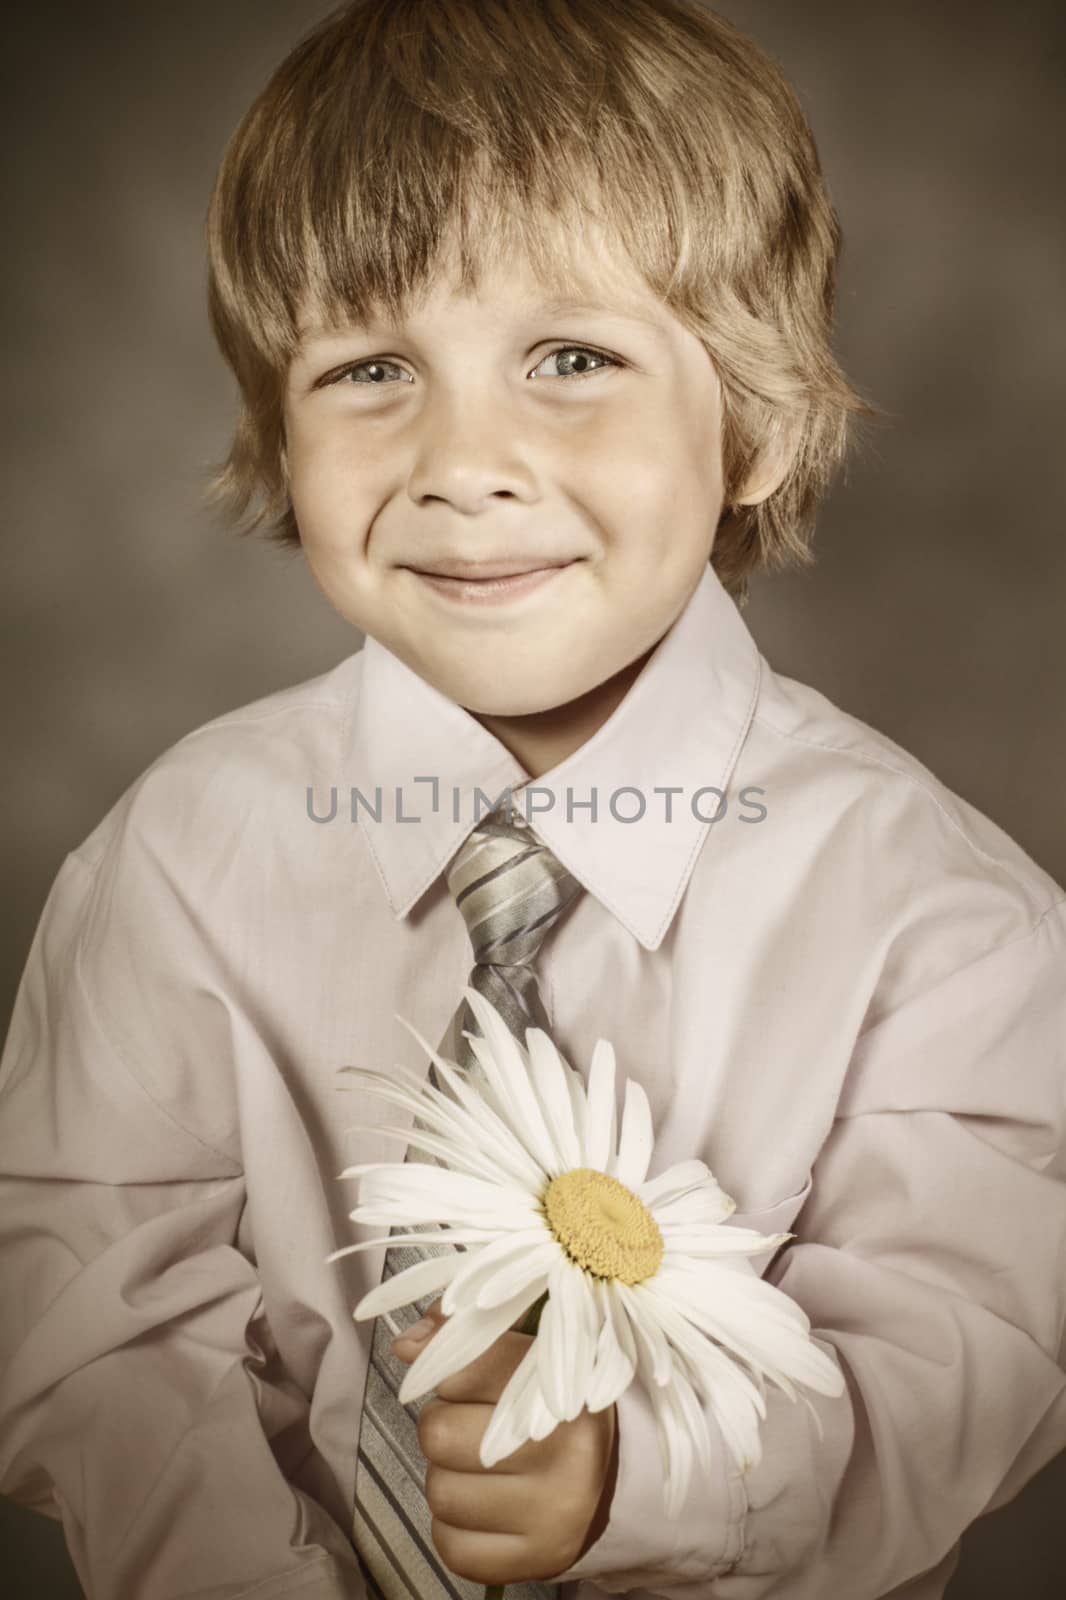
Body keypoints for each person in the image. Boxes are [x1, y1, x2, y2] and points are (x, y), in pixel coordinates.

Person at [2, 1, 1064, 1597]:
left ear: (755, 424)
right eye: (369, 368)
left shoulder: (942, 917)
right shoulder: (176, 858)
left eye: (570, 358)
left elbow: (964, 1345)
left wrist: (638, 1476)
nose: (461, 458)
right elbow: (93, 1313)